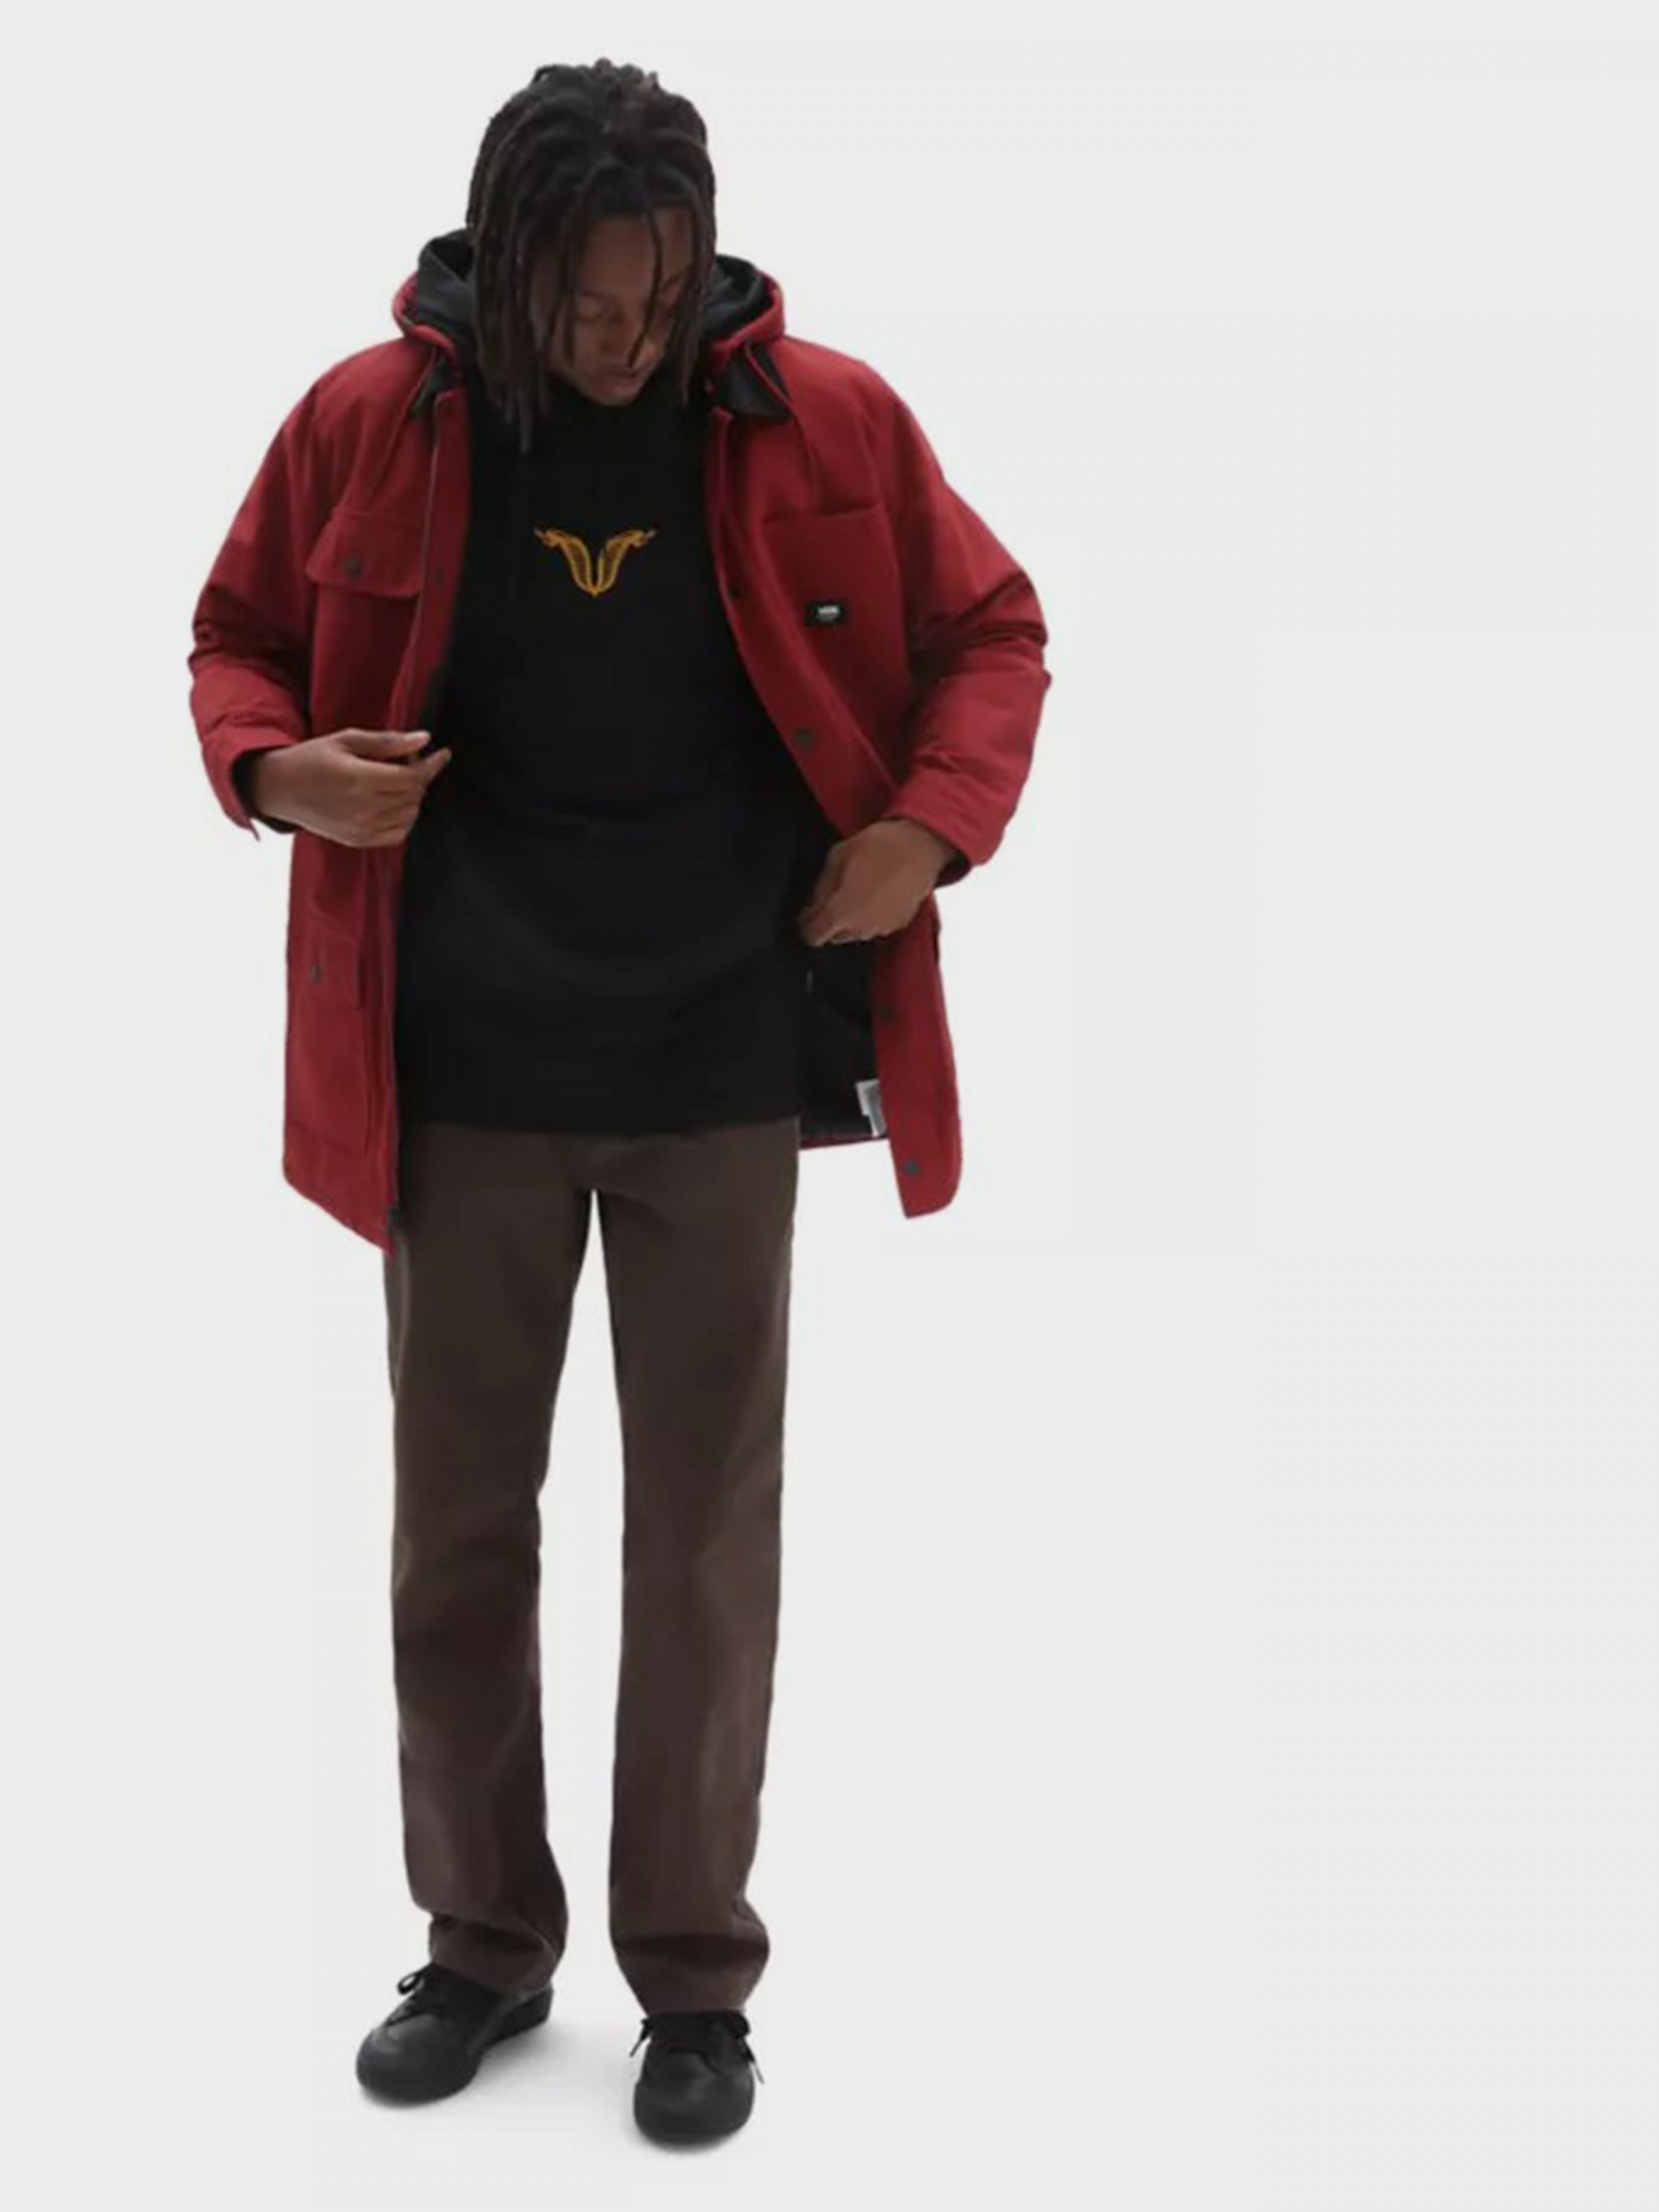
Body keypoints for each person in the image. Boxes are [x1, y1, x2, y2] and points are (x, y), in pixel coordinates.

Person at [187, 57, 1049, 2146]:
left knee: (704, 1543)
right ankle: (482, 1944)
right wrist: (278, 772)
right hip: (457, 1071)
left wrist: (924, 831)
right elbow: (233, 639)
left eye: (655, 298)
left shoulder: (828, 420)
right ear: (503, 261)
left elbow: (990, 632)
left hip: (717, 1063)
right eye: (580, 300)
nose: (617, 337)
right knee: (456, 1535)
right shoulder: (363, 422)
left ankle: (691, 1979)